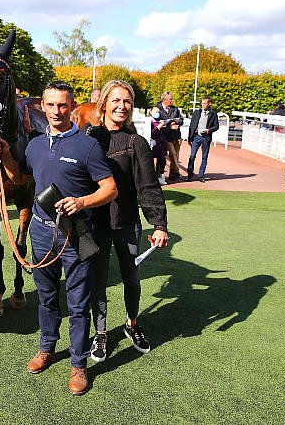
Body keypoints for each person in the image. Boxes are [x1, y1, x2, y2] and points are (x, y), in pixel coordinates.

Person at [0, 80, 118, 395]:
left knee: (77, 304)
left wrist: (82, 202)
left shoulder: (88, 146)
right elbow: (19, 177)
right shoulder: (35, 144)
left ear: (72, 106)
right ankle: (47, 348)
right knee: (47, 298)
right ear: (43, 106)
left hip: (75, 233)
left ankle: (79, 365)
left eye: (63, 105)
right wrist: (6, 154)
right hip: (40, 230)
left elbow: (110, 189)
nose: (56, 111)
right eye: (50, 105)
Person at [86, 80, 169, 363]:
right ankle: (100, 332)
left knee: (131, 278)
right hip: (96, 225)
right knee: (97, 281)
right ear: (104, 105)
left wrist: (159, 224)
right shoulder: (89, 138)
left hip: (127, 223)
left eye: (127, 101)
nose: (121, 106)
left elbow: (148, 186)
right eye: (116, 100)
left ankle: (132, 323)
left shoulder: (136, 143)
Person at [186, 96, 219, 183]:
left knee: (204, 157)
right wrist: (189, 137)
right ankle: (189, 175)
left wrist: (209, 130)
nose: (203, 105)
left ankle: (201, 176)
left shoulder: (213, 114)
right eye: (202, 103)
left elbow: (216, 126)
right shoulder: (197, 112)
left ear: (209, 103)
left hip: (206, 138)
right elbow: (192, 125)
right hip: (196, 137)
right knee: (192, 156)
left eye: (205, 103)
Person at [157, 92, 183, 181]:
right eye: (170, 99)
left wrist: (176, 122)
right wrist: (170, 125)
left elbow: (181, 120)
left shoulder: (175, 109)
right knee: (173, 154)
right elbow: (157, 122)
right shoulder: (157, 109)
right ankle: (176, 171)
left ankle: (173, 174)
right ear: (164, 100)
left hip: (176, 136)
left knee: (176, 155)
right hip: (165, 137)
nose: (172, 100)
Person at [149, 106, 168, 185]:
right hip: (152, 144)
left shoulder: (159, 121)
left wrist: (164, 126)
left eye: (158, 112)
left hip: (161, 144)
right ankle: (151, 178)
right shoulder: (149, 121)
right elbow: (151, 132)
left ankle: (160, 176)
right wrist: (158, 127)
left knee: (162, 160)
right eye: (156, 112)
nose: (158, 114)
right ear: (151, 112)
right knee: (150, 161)